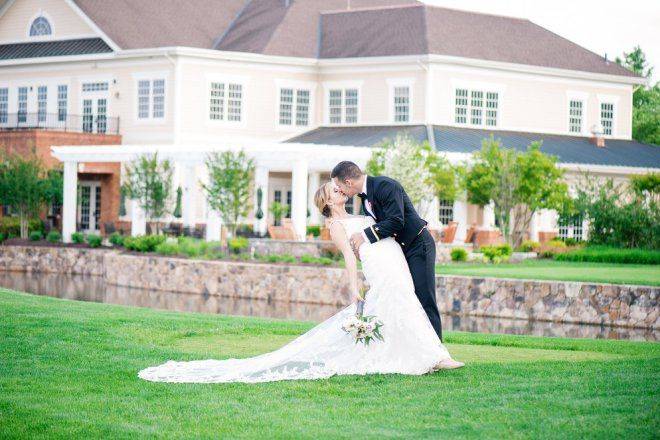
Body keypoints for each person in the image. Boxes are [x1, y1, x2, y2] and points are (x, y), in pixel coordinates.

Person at [138, 180, 462, 384]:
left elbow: (388, 225)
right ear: (329, 200)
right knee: (402, 303)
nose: (342, 191)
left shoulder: (364, 209)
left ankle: (423, 354)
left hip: (396, 261)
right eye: (335, 191)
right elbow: (350, 259)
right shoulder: (336, 224)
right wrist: (353, 286)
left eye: (341, 188)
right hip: (381, 270)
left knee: (405, 306)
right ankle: (433, 357)